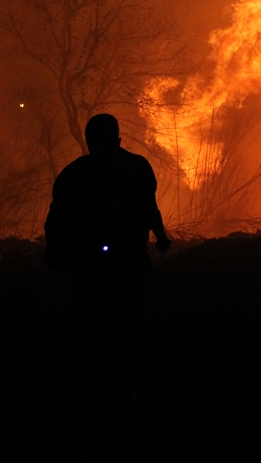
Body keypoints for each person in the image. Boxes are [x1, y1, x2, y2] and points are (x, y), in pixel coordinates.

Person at [44, 113, 171, 400]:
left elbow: (56, 218)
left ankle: (104, 383)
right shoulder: (136, 168)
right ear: (118, 140)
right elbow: (149, 209)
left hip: (94, 265)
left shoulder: (74, 174)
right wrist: (160, 238)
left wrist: (54, 251)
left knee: (98, 323)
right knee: (125, 322)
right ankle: (123, 379)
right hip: (123, 262)